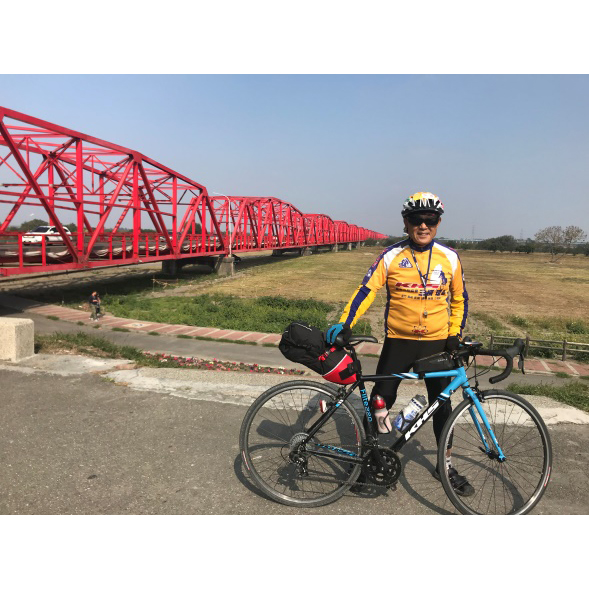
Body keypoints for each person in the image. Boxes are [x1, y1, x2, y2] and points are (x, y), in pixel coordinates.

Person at [326, 192, 474, 496]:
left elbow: (460, 299)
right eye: (416, 219)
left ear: (438, 222)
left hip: (437, 344)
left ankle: (445, 466)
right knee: (379, 402)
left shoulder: (450, 257)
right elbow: (366, 290)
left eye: (430, 219)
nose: (423, 225)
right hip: (399, 342)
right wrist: (345, 323)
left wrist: (454, 334)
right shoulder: (391, 255)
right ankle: (368, 463)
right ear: (406, 223)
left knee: (443, 408)